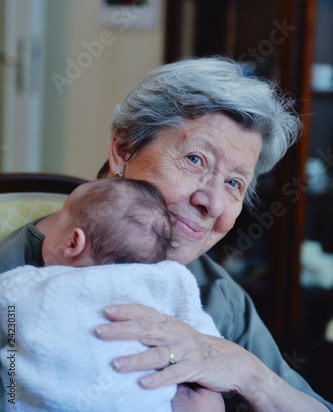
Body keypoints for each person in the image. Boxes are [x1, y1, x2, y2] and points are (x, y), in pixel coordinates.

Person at [0, 56, 332, 411]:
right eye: (195, 160)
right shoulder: (13, 284)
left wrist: (250, 374)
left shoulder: (213, 292)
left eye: (234, 182)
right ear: (123, 151)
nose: (214, 203)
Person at [0, 178, 222, 412]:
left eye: (55, 225)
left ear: (73, 241)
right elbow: (207, 344)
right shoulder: (168, 280)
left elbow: (8, 309)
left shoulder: (30, 283)